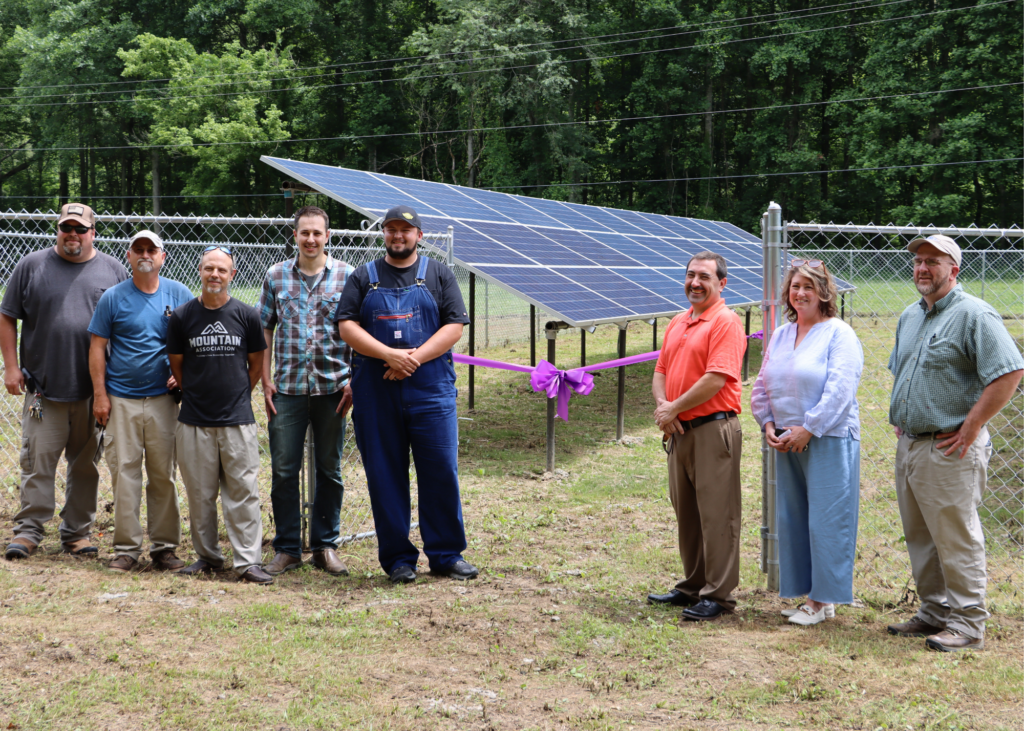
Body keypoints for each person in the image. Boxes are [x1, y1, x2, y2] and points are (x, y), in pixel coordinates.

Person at [886, 234, 1022, 652]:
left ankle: (967, 624)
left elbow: (1009, 373)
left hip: (951, 449)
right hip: (911, 445)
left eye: (934, 261)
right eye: (918, 261)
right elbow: (902, 370)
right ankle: (934, 611)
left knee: (956, 537)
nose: (923, 268)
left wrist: (971, 425)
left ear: (954, 269)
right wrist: (905, 415)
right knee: (921, 535)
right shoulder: (910, 315)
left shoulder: (974, 315)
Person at [335, 205, 476, 584]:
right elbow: (347, 325)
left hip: (431, 391)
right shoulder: (364, 277)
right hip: (376, 394)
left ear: (419, 235)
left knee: (441, 471)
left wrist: (412, 359)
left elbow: (455, 325)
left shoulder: (438, 274)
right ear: (384, 233)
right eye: (391, 229)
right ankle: (398, 559)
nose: (398, 236)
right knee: (385, 475)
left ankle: (446, 554)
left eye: (406, 230)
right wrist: (388, 355)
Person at [1, 203, 128, 559]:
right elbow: (7, 316)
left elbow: (126, 324)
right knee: (37, 461)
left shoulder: (113, 269)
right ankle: (28, 531)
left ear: (93, 232)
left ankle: (77, 533)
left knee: (85, 465)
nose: (73, 234)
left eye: (80, 229)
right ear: (58, 230)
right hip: (43, 389)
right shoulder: (32, 265)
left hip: (93, 392)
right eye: (66, 228)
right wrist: (11, 368)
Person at [751, 259, 864, 626]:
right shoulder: (782, 334)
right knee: (795, 517)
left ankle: (822, 601)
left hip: (827, 437)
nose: (800, 293)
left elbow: (841, 389)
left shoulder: (838, 333)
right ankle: (808, 594)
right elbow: (762, 382)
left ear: (824, 293)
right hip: (787, 440)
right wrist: (767, 422)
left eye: (809, 287)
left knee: (826, 521)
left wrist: (810, 428)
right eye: (795, 286)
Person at [648, 251, 746, 620]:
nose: (695, 283)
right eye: (690, 275)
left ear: (722, 283)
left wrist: (674, 408)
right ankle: (692, 585)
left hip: (712, 429)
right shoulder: (677, 321)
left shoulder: (726, 322)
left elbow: (716, 378)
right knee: (687, 512)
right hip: (678, 431)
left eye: (704, 277)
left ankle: (719, 596)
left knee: (717, 515)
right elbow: (660, 370)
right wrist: (665, 409)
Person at [166, 246, 273, 584]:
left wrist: (238, 393)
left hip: (237, 419)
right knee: (200, 493)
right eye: (209, 268)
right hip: (194, 419)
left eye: (222, 270)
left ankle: (247, 561)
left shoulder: (247, 315)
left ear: (232, 275)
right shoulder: (182, 317)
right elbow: (177, 366)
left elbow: (256, 364)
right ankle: (208, 556)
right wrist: (197, 393)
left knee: (243, 491)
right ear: (200, 271)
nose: (215, 275)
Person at [87, 230, 192, 572]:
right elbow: (97, 347)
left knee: (163, 474)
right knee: (125, 474)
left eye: (152, 249)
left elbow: (195, 338)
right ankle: (126, 549)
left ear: (163, 256)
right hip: (121, 400)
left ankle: (164, 548)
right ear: (128, 257)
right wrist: (100, 395)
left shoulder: (178, 294)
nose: (145, 254)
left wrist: (184, 373)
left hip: (164, 401)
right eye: (138, 249)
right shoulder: (114, 298)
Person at [259, 206, 354, 576]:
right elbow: (265, 328)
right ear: (294, 235)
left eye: (317, 233)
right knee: (284, 470)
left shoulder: (347, 277)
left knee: (329, 470)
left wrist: (354, 379)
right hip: (287, 389)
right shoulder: (276, 276)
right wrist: (265, 379)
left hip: (334, 388)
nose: (311, 239)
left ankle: (325, 545)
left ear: (327, 236)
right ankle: (287, 548)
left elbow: (358, 331)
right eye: (304, 233)